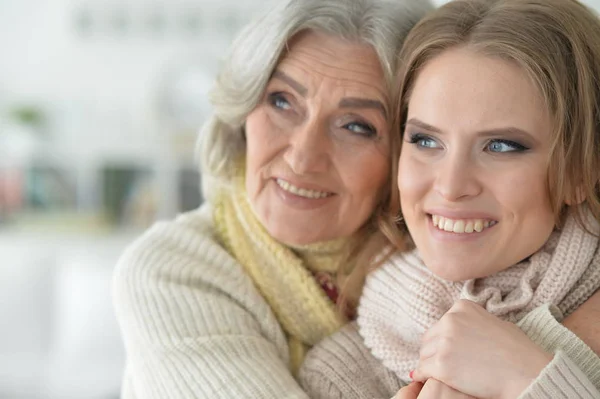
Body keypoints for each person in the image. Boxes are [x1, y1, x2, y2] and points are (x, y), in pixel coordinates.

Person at [111, 0, 433, 397]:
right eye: (282, 102)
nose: (302, 157)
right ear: (242, 112)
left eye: (356, 126)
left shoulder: (444, 274)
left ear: (408, 152)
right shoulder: (171, 270)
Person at [298, 0, 600, 398]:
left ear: (582, 171)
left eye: (502, 146)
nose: (451, 185)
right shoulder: (342, 378)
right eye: (426, 140)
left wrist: (527, 376)